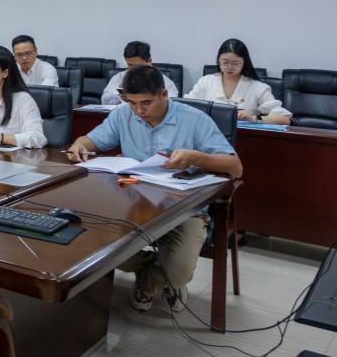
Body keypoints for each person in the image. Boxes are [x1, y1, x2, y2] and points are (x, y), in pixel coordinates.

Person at [66, 65, 242, 313]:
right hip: (132, 206)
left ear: (164, 94)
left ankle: (152, 282)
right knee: (97, 249)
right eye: (132, 103)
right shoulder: (123, 115)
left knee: (178, 273)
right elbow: (91, 139)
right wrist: (79, 144)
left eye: (146, 103)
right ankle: (158, 270)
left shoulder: (194, 120)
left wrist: (196, 157)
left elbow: (235, 167)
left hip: (183, 210)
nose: (139, 111)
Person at [186, 38, 291, 125]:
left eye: (236, 63)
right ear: (218, 60)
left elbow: (284, 119)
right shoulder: (206, 82)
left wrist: (255, 118)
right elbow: (186, 107)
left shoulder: (258, 87)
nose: (229, 67)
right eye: (225, 62)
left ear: (245, 63)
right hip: (207, 135)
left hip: (243, 137)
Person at [102, 41, 178, 105]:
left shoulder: (165, 82)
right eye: (130, 65)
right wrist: (118, 94)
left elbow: (171, 105)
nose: (133, 69)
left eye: (137, 66)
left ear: (149, 61)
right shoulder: (119, 77)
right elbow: (104, 101)